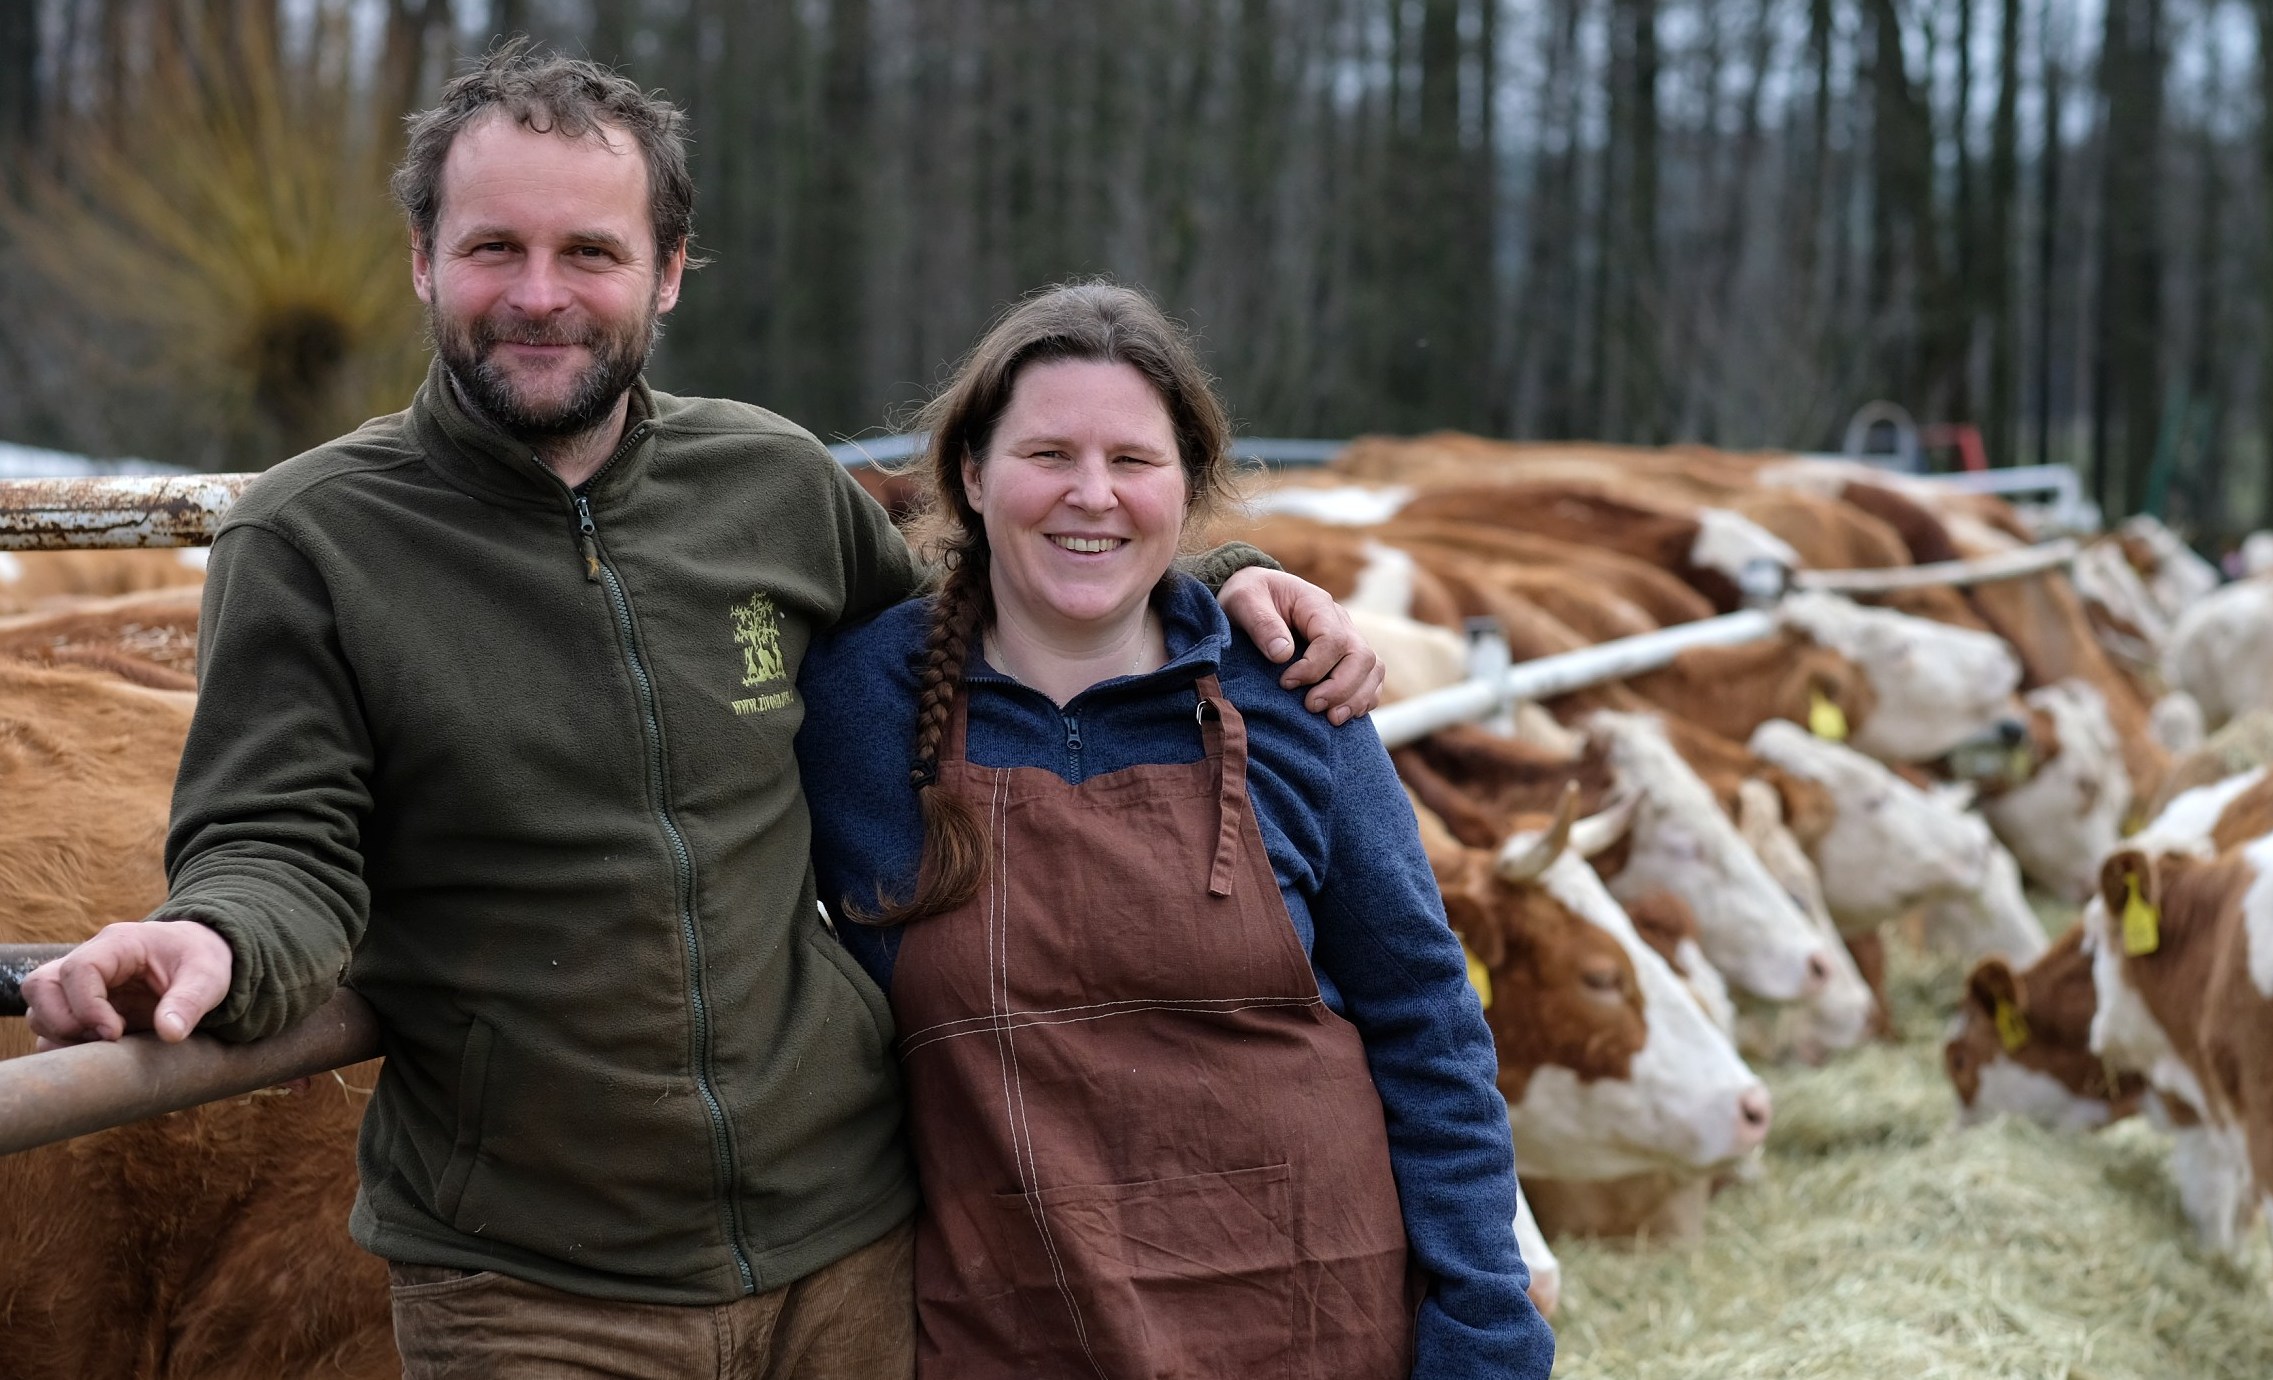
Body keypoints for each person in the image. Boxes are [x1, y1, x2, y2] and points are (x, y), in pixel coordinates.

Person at [20, 45, 1381, 1379]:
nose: (539, 296)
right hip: (536, 1287)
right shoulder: (312, 538)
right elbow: (279, 841)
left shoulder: (771, 482)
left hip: (850, 1238)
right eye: (494, 248)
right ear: (423, 262)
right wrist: (211, 937)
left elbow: (980, 629)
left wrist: (1221, 580)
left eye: (591, 254)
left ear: (667, 273)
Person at [797, 282, 1555, 1378]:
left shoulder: (1295, 694)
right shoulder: (861, 708)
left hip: (1322, 1329)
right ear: (970, 472)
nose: (1091, 496)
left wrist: (1487, 1331)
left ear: (1191, 486)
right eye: (1047, 454)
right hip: (1008, 1339)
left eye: (1135, 462)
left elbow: (1428, 1027)